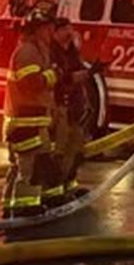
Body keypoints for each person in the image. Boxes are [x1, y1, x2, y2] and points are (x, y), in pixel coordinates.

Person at [0, 6, 60, 218]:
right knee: (29, 168)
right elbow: (31, 84)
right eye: (48, 29)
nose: (51, 34)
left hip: (31, 121)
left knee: (22, 167)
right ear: (36, 30)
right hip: (25, 122)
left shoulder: (37, 51)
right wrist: (53, 75)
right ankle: (24, 207)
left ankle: (10, 206)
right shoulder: (27, 52)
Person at [48, 17, 92, 205]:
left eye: (70, 28)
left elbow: (79, 75)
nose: (69, 32)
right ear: (55, 32)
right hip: (59, 106)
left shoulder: (73, 52)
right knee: (58, 149)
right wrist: (71, 78)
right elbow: (54, 79)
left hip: (75, 106)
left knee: (75, 148)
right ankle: (53, 191)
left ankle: (69, 184)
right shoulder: (51, 53)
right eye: (64, 29)